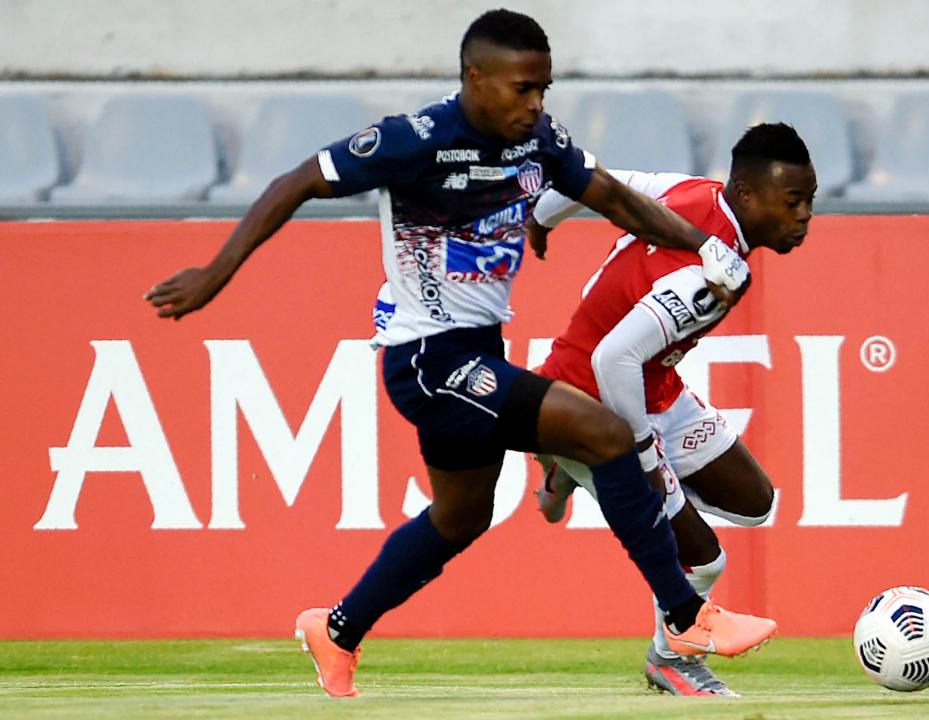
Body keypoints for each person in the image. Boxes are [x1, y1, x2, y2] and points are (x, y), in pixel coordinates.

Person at [144, 8, 775, 699]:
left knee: (462, 514)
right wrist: (213, 274)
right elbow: (295, 181)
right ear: (475, 79)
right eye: (521, 89)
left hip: (475, 351)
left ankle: (337, 629)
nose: (535, 104)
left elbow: (617, 200)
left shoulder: (539, 139)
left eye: (543, 89)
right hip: (426, 359)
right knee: (602, 430)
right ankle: (684, 616)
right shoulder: (413, 141)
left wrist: (703, 246)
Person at [527, 123, 816, 696]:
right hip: (593, 404)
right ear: (746, 194)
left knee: (756, 503)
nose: (805, 215)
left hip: (652, 385)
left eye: (809, 201)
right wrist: (641, 455)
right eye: (792, 202)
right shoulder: (711, 274)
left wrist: (543, 217)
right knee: (705, 559)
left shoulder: (693, 192)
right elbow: (613, 360)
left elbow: (596, 179)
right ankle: (671, 662)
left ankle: (564, 471)